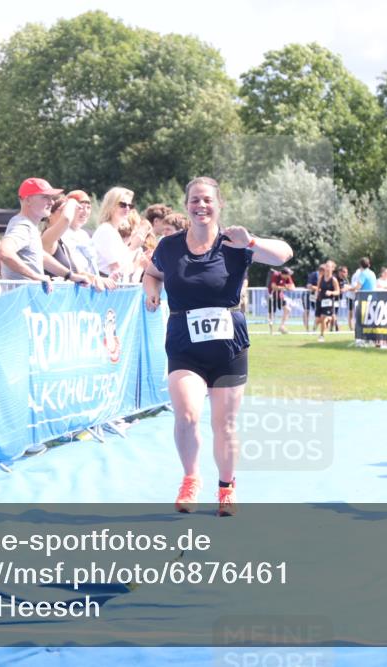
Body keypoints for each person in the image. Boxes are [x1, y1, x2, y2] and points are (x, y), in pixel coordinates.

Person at [143, 177, 292, 517]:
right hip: (184, 343)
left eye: (208, 200)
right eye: (195, 200)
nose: (201, 206)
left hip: (228, 346)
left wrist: (250, 241)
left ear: (219, 204)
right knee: (188, 414)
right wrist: (151, 289)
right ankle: (191, 478)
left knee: (224, 423)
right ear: (186, 205)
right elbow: (151, 272)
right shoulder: (169, 246)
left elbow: (284, 255)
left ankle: (226, 486)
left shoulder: (235, 243)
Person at [94, 187, 148, 279]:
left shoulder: (112, 231)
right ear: (110, 206)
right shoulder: (106, 230)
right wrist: (133, 248)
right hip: (105, 288)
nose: (127, 209)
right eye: (122, 205)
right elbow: (118, 270)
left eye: (130, 206)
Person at [314, 262, 341, 342]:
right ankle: (329, 320)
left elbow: (338, 292)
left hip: (329, 301)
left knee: (323, 318)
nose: (328, 268)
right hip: (320, 300)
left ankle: (322, 335)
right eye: (327, 266)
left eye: (330, 267)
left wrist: (331, 292)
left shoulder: (334, 280)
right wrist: (316, 295)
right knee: (318, 319)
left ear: (333, 269)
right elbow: (318, 288)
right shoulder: (321, 278)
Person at [267, 266, 295, 334]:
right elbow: (273, 286)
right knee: (271, 313)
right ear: (283, 274)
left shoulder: (287, 277)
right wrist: (285, 287)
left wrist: (282, 287)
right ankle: (271, 331)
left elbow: (293, 287)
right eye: (288, 274)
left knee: (288, 309)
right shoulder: (276, 275)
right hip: (271, 296)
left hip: (280, 296)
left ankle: (282, 326)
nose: (289, 276)